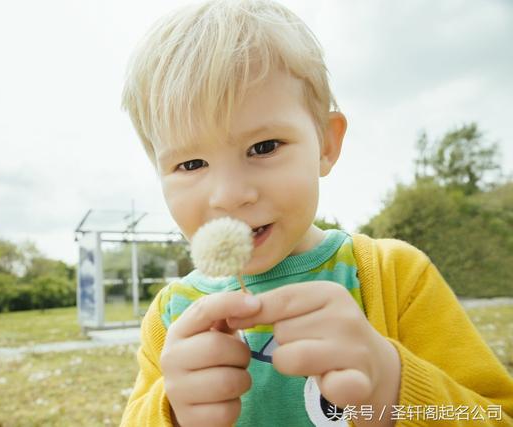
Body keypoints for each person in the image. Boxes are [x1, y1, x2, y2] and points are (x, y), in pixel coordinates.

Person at [119, 1, 513, 425]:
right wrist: (171, 411)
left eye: (264, 147)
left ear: (326, 144)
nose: (230, 195)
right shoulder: (169, 317)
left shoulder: (395, 277)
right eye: (191, 164)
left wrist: (393, 387)